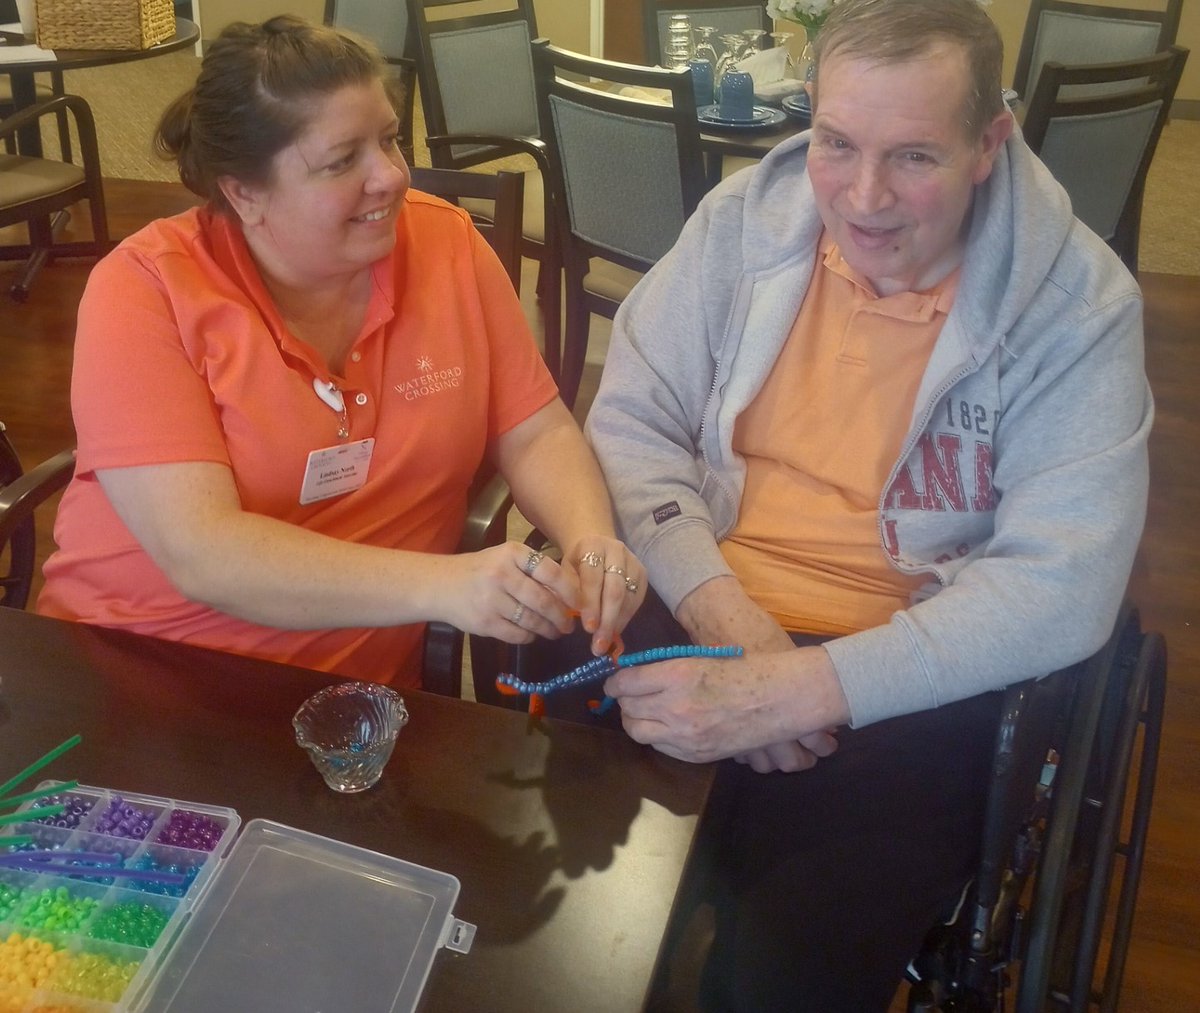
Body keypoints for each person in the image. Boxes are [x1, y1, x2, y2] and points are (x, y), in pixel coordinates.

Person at [583, 0, 1151, 1008]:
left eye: (914, 157)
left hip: (907, 665)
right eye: (836, 143)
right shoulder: (742, 225)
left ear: (990, 143)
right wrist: (731, 623)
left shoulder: (1076, 304)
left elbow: (1064, 584)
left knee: (773, 978)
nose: (863, 195)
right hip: (702, 591)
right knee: (564, 908)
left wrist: (793, 690)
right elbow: (631, 422)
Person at [37, 16, 645, 688]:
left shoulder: (446, 244)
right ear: (244, 192)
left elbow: (534, 429)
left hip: (356, 701)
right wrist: (446, 585)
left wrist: (590, 538)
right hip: (140, 671)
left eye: (389, 139)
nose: (390, 176)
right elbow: (202, 553)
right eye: (342, 160)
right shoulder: (146, 289)